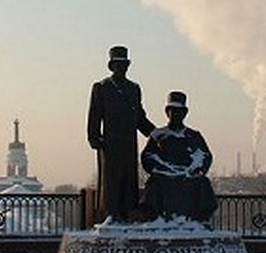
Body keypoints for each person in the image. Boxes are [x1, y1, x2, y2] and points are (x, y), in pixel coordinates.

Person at [87, 46, 155, 223]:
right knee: (111, 179)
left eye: (124, 64)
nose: (121, 67)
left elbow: (140, 118)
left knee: (128, 178)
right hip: (109, 143)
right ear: (112, 66)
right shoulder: (102, 88)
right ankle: (111, 213)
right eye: (118, 64)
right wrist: (94, 138)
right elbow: (94, 116)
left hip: (129, 143)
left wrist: (156, 134)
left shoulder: (134, 89)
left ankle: (126, 213)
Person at [141, 91, 218, 223]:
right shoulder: (158, 135)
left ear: (185, 113)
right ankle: (156, 218)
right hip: (164, 177)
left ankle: (199, 220)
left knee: (203, 183)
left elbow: (204, 155)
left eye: (179, 111)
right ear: (167, 112)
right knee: (154, 184)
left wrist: (193, 170)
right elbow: (148, 156)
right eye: (173, 111)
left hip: (188, 177)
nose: (176, 114)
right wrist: (162, 168)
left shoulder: (193, 135)